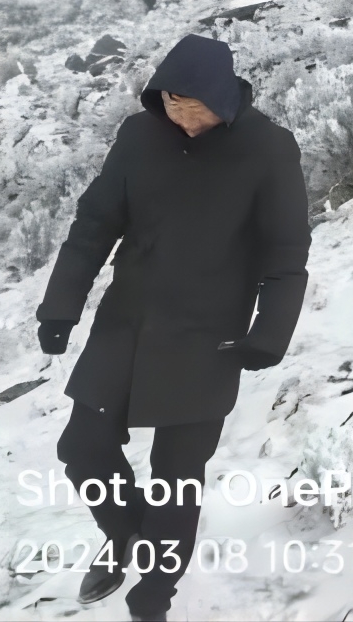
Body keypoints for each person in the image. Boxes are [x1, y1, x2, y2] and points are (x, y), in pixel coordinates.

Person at [35, 34, 309, 622]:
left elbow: (287, 252)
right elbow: (94, 223)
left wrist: (270, 331)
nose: (182, 116)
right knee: (82, 448)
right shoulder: (140, 137)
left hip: (208, 335)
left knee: (176, 479)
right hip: (127, 320)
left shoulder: (268, 150)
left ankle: (154, 595)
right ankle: (128, 535)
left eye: (194, 105)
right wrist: (61, 305)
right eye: (171, 102)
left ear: (223, 98)